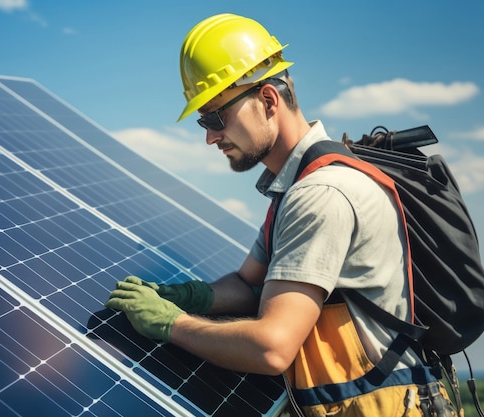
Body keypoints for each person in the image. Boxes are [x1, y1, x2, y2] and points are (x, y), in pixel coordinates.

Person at [105, 13, 457, 417]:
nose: (210, 136)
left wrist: (173, 324)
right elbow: (246, 284)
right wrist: (188, 296)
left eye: (216, 117)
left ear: (268, 100)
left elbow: (271, 347)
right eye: (204, 120)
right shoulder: (294, 188)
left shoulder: (320, 194)